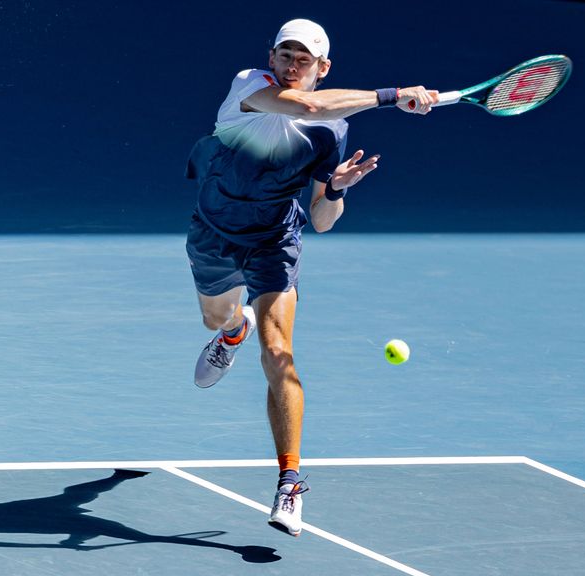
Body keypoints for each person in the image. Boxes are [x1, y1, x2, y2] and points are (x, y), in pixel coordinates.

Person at [185, 18, 439, 537]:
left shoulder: (333, 132)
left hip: (276, 241)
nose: (292, 65)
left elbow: (322, 221)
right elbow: (307, 106)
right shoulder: (250, 86)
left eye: (305, 59)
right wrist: (394, 95)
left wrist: (338, 188)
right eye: (286, 54)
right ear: (271, 58)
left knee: (280, 355)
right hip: (215, 231)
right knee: (217, 314)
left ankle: (290, 484)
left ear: (323, 68)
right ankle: (233, 330)